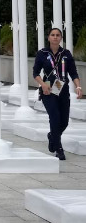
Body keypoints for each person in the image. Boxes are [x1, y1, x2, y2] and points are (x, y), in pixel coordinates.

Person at [33, 27, 83, 161]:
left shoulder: (66, 54)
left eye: (58, 35)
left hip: (63, 89)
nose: (55, 37)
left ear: (61, 38)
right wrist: (43, 85)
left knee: (64, 121)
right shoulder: (42, 53)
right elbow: (36, 73)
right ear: (48, 37)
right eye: (53, 35)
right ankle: (59, 148)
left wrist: (78, 86)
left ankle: (52, 136)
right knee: (54, 116)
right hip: (48, 89)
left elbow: (73, 72)